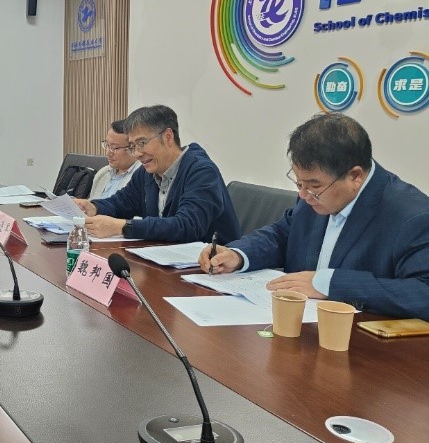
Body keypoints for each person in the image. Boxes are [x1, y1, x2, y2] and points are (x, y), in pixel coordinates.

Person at [198, 113, 429, 320]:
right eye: (299, 182)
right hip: (297, 329)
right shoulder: (314, 195)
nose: (303, 194)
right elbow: (283, 235)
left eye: (313, 185)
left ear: (355, 176)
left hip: (362, 344)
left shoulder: (412, 216)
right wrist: (238, 255)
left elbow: (423, 293)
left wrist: (330, 284)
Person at [74, 105, 240, 243]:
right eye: (132, 146)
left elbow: (187, 226)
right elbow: (122, 202)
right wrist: (94, 207)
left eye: (142, 143)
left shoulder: (201, 171)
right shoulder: (147, 172)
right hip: (163, 259)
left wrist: (123, 227)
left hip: (209, 266)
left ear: (168, 137)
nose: (137, 153)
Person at [88, 119, 140, 200]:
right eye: (107, 145)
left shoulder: (140, 177)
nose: (108, 153)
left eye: (115, 147)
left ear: (132, 148)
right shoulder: (103, 173)